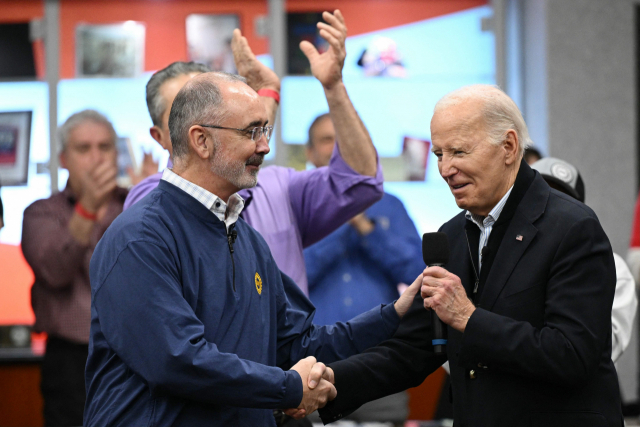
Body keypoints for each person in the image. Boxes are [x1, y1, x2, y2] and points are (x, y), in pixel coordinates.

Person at [83, 35, 423, 427]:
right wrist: (291, 388)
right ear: (201, 141)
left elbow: (294, 343)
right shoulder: (140, 238)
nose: (264, 145)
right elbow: (178, 361)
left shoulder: (246, 239)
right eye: (251, 132)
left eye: (264, 129)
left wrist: (391, 316)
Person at [309, 85, 622, 426]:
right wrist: (327, 382)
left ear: (508, 146)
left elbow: (572, 355)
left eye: (459, 151)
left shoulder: (572, 227)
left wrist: (469, 318)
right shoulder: (452, 235)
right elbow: (413, 347)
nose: (446, 169)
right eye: (439, 154)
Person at [124, 10, 382, 295]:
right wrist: (263, 106)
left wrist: (333, 87)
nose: (202, 120)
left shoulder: (280, 187)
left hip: (292, 341)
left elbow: (360, 181)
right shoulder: (149, 201)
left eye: (211, 103)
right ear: (161, 136)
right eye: (183, 112)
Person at [303, 113, 424, 424]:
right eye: (327, 140)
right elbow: (291, 278)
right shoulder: (294, 208)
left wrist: (368, 229)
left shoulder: (390, 205)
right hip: (313, 367)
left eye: (344, 139)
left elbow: (418, 274)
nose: (337, 148)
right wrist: (344, 222)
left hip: (380, 364)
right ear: (310, 152)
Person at [21, 109, 127, 426]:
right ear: (64, 158)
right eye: (84, 149)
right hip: (71, 363)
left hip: (133, 356)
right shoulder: (42, 213)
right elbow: (54, 272)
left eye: (104, 147)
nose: (96, 158)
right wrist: (88, 209)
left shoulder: (135, 204)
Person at [531, 156, 637, 363]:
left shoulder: (613, 266)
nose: (552, 207)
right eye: (542, 195)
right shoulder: (503, 255)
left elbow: (598, 351)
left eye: (563, 198)